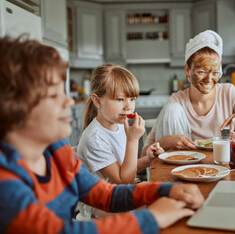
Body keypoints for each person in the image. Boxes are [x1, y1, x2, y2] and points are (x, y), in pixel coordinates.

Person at [0, 36, 204, 233]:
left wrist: (163, 190)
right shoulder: (6, 184)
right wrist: (153, 218)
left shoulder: (57, 149)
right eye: (53, 95)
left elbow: (103, 194)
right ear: (14, 107)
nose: (69, 102)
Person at [142, 30, 235, 155]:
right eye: (201, 72)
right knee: (172, 109)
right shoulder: (177, 101)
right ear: (188, 69)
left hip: (223, 163)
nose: (208, 80)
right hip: (187, 167)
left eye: (215, 72)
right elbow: (144, 153)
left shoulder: (228, 92)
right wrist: (167, 141)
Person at [77, 64, 163, 184]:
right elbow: (124, 180)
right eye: (120, 99)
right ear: (97, 100)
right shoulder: (95, 138)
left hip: (121, 192)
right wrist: (132, 140)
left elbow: (127, 168)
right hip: (106, 200)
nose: (128, 106)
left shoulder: (120, 126)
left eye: (132, 99)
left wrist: (148, 159)